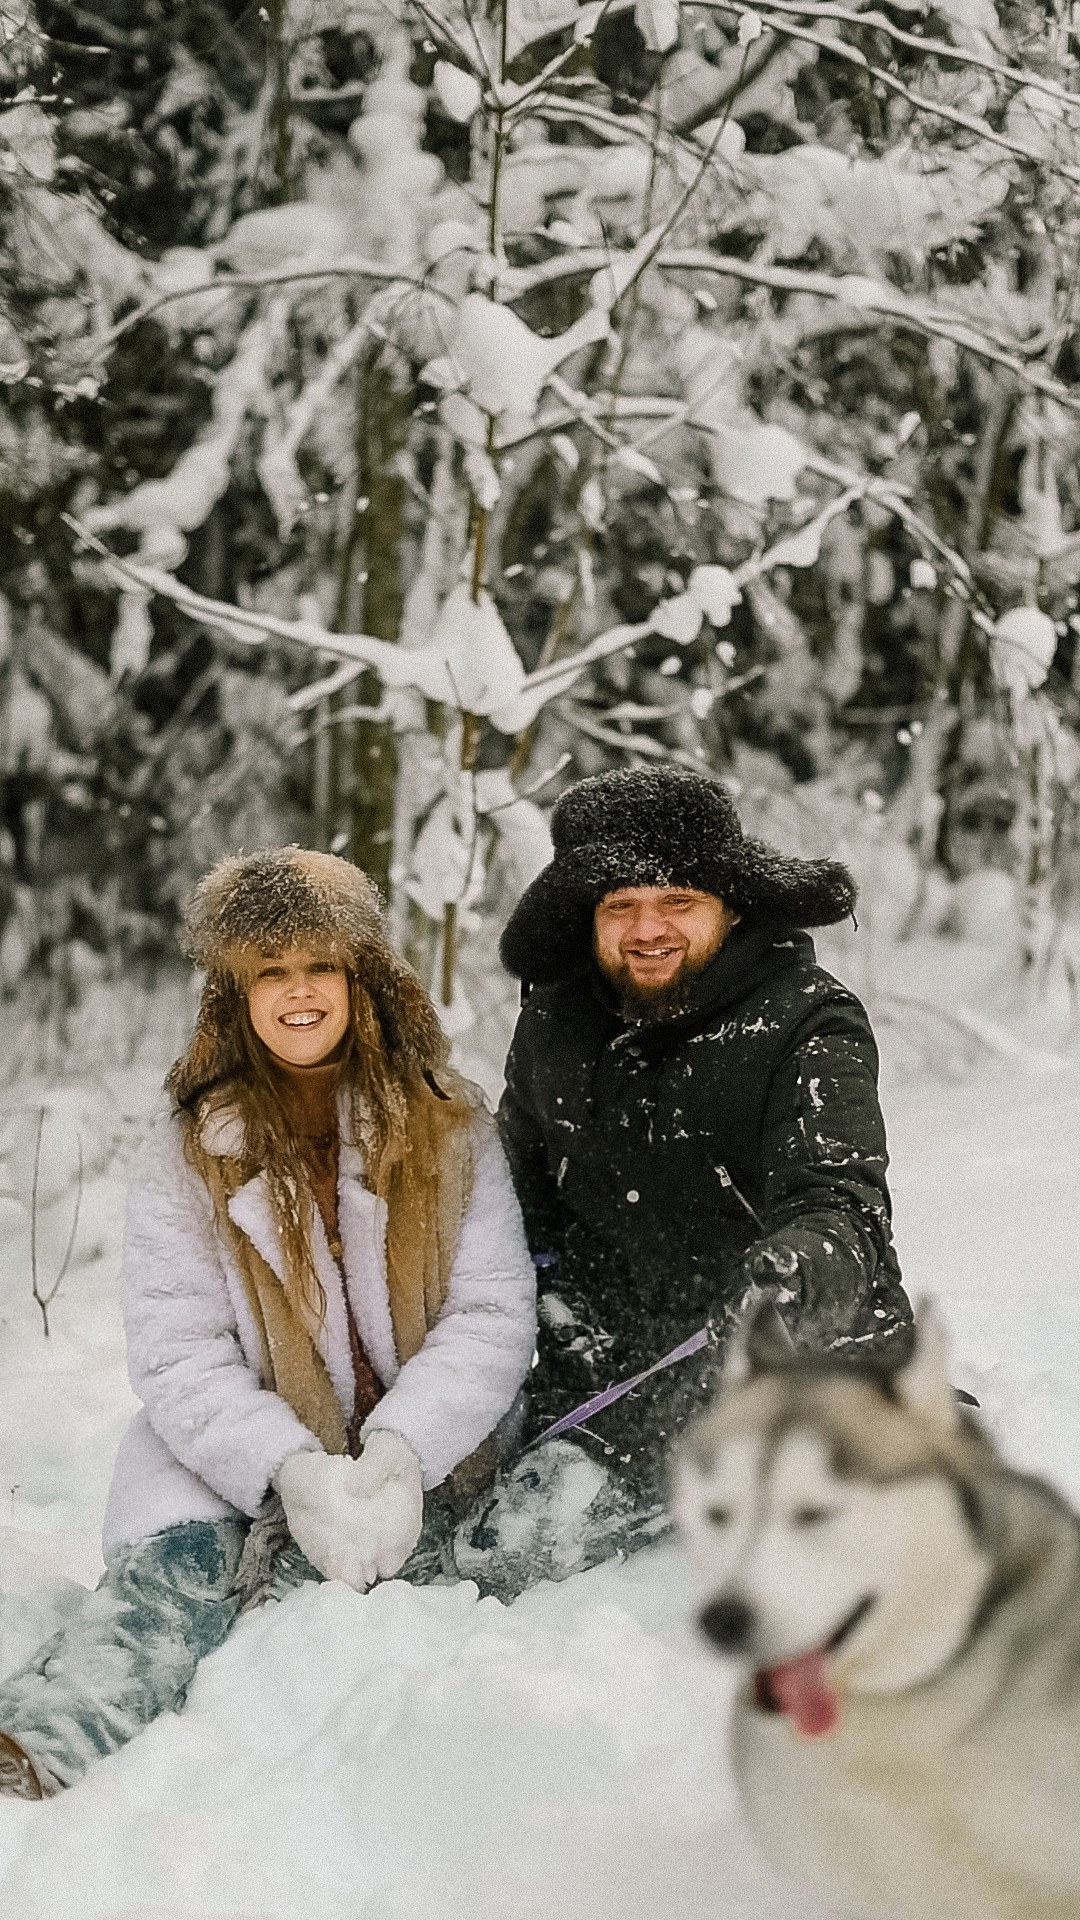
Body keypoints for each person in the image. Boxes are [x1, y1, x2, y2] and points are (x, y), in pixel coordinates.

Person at [0, 848, 536, 1798]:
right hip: (244, 1438)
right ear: (234, 994)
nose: (298, 994)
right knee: (172, 1586)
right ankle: (42, 1742)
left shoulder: (453, 1126)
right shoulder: (189, 1150)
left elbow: (491, 1315)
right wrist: (290, 1469)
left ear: (361, 978)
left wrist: (402, 1453)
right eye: (270, 973)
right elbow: (178, 1353)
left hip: (427, 1446)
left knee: (349, 1615)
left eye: (319, 966)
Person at [492, 765, 913, 1515]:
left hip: (797, 1376)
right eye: (621, 905)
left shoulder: (807, 1021)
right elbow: (514, 1201)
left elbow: (842, 1208)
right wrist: (553, 1291)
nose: (648, 929)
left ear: (732, 905)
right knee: (507, 1552)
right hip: (611, 1390)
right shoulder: (550, 1026)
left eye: (677, 902)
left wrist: (796, 1274)